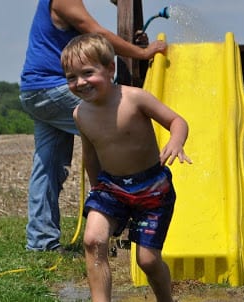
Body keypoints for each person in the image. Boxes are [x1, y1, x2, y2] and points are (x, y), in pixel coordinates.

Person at [19, 0, 167, 252]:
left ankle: (41, 242)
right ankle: (123, 217)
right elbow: (96, 32)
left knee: (48, 165)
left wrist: (131, 40)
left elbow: (94, 46)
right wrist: (141, 53)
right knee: (118, 132)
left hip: (36, 91)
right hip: (55, 87)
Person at [61, 33, 192, 302]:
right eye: (71, 77)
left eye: (87, 72)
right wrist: (97, 189)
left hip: (152, 189)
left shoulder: (135, 99)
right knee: (93, 241)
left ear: (110, 69)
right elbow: (90, 154)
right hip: (110, 187)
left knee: (147, 260)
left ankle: (165, 299)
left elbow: (177, 121)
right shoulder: (80, 114)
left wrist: (176, 142)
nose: (80, 82)